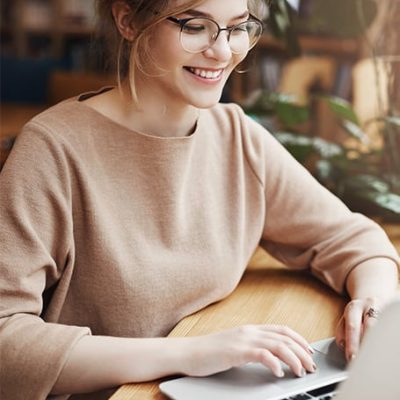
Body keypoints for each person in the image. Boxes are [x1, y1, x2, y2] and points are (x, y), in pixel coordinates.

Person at [0, 0, 398, 399]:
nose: (222, 51)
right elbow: (5, 341)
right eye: (195, 26)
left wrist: (372, 310)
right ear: (127, 20)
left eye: (238, 27)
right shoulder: (51, 150)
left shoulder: (236, 137)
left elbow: (355, 239)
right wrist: (189, 353)